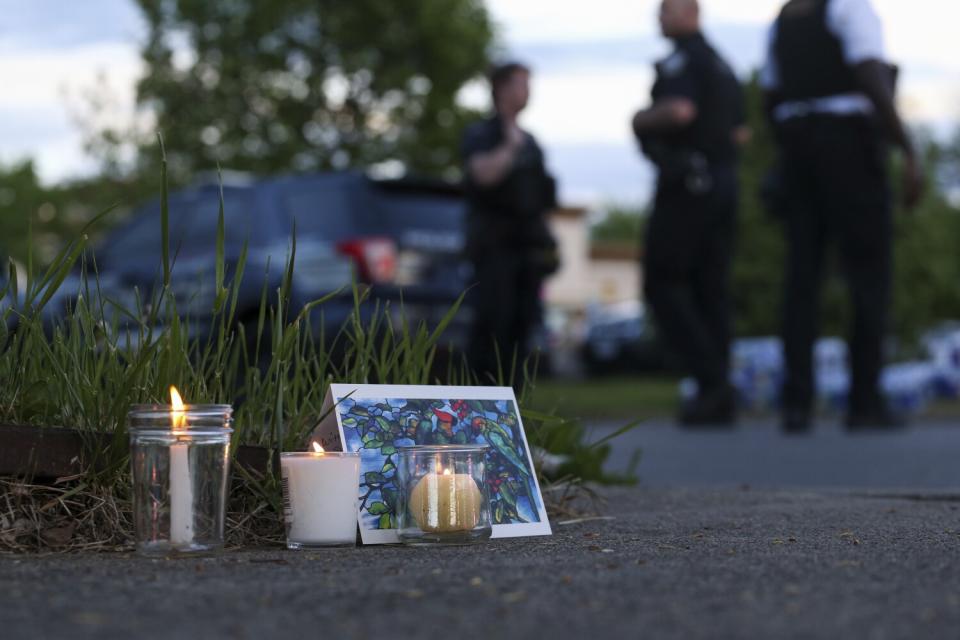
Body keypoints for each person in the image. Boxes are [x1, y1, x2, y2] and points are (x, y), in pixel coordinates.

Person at [761, 0, 924, 432]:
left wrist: (794, 144)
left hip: (798, 146)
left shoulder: (782, 21)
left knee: (802, 278)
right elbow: (869, 71)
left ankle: (796, 405)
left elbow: (770, 93)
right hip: (847, 146)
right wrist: (905, 145)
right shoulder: (850, 7)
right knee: (869, 272)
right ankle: (864, 403)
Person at [632, 0, 746, 425]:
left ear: (692, 12)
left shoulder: (685, 60)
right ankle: (718, 395)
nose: (659, 16)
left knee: (663, 282)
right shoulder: (722, 65)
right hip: (722, 183)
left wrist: (639, 119)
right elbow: (741, 132)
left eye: (667, 9)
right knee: (710, 287)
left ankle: (713, 381)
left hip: (688, 184)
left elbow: (680, 111)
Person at [461, 62, 559, 384]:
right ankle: (480, 397)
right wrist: (509, 148)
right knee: (492, 324)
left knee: (523, 328)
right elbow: (482, 175)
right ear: (501, 88)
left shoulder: (532, 143)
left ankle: (514, 403)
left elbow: (543, 199)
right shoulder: (482, 134)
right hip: (493, 248)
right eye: (520, 83)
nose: (527, 91)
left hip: (527, 250)